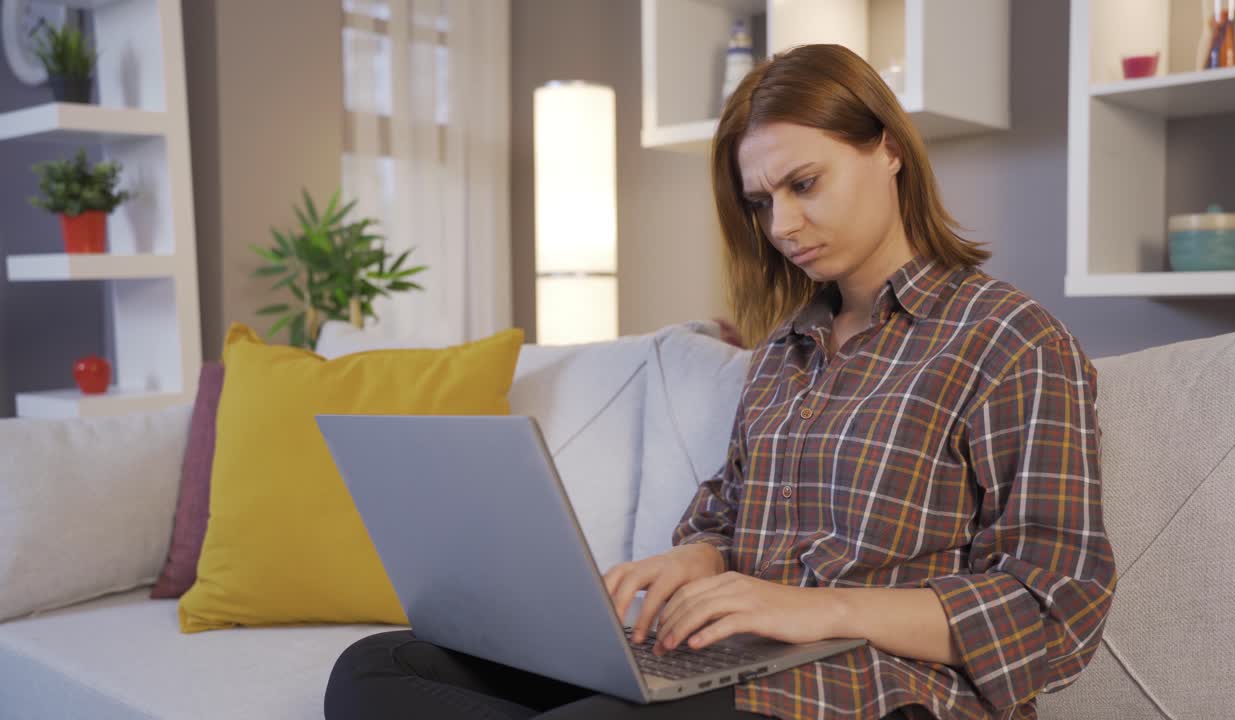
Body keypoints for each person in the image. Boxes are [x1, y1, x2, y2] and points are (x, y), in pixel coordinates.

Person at [324, 43, 1116, 720]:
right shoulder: (785, 351)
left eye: (804, 184)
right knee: (377, 672)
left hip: (881, 689)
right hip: (736, 664)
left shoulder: (1010, 340)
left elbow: (1059, 605)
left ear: (888, 149)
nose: (782, 228)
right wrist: (695, 562)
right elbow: (725, 517)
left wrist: (821, 610)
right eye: (762, 203)